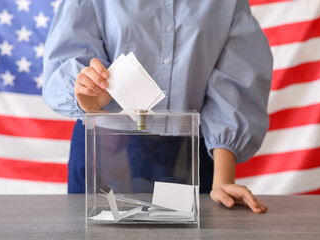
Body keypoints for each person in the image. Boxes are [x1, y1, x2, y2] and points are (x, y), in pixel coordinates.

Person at [43, 0, 272, 214]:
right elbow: (70, 59)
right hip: (104, 147)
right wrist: (86, 92)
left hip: (188, 155)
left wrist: (222, 181)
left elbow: (233, 84)